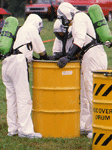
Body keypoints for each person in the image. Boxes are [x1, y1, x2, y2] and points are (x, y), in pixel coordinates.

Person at [57, 2, 108, 138]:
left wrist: (68, 57)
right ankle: (86, 126)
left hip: (93, 56)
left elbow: (79, 41)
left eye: (63, 17)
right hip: (90, 56)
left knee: (92, 92)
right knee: (85, 93)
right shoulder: (79, 18)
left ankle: (97, 127)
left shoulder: (79, 18)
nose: (64, 21)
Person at [2, 14, 48, 138]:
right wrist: (45, 57)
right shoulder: (31, 28)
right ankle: (26, 131)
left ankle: (13, 130)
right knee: (24, 98)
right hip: (18, 63)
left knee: (11, 98)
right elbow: (41, 50)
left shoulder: (20, 29)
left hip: (6, 63)